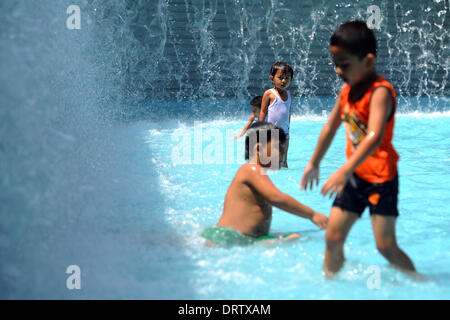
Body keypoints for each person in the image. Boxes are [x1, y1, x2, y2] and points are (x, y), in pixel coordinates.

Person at [300, 21, 416, 277]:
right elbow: (330, 128)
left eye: (345, 63)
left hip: (380, 180)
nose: (338, 70)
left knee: (385, 246)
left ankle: (418, 282)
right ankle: (329, 287)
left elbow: (374, 137)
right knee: (333, 237)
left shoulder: (380, 92)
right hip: (355, 177)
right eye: (335, 62)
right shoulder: (347, 91)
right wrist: (314, 162)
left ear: (368, 61)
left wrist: (344, 170)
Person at [201, 122, 328, 247]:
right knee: (294, 238)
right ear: (258, 149)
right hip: (226, 238)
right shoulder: (251, 170)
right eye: (278, 147)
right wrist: (312, 214)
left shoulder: (256, 173)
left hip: (242, 239)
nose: (283, 152)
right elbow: (277, 198)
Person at [259, 62, 293, 168]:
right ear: (272, 78)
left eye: (287, 77)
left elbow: (288, 111)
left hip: (285, 133)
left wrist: (288, 126)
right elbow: (263, 111)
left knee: (283, 161)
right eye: (280, 77)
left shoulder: (289, 94)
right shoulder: (269, 94)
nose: (284, 81)